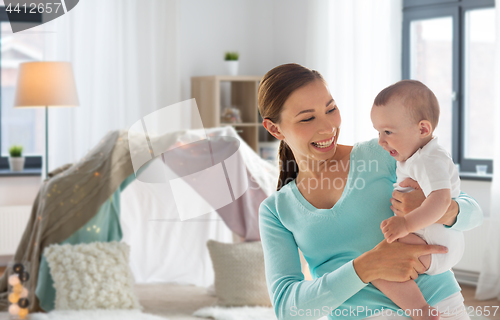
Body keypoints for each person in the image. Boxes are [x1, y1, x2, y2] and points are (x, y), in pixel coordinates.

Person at [257, 63, 482, 320]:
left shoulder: (382, 154)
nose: (328, 127)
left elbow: (473, 213)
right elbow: (288, 310)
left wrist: (439, 208)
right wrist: (366, 267)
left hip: (440, 308)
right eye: (308, 118)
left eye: (331, 109)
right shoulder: (276, 210)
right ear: (275, 129)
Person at [369, 80, 464, 320]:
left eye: (388, 132)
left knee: (377, 266)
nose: (381, 141)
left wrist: (406, 224)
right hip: (435, 240)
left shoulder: (428, 160)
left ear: (422, 129)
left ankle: (421, 311)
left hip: (435, 243)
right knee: (377, 261)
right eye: (378, 132)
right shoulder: (416, 156)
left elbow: (441, 201)